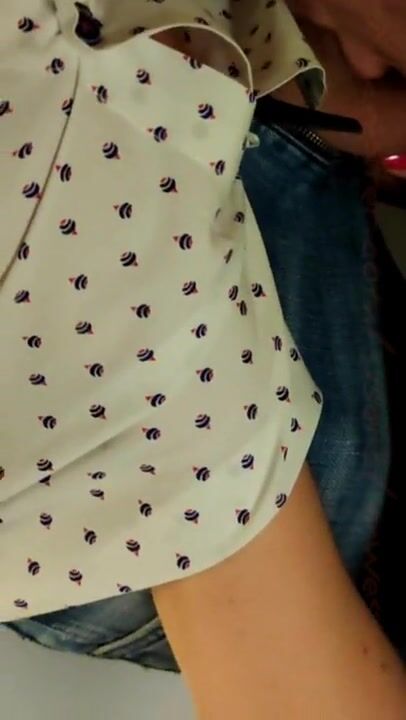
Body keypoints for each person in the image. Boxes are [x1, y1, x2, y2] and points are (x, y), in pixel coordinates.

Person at [1, 2, 405, 718]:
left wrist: (336, 91)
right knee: (335, 468)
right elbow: (295, 693)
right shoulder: (78, 176)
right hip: (134, 524)